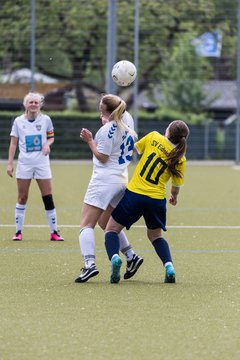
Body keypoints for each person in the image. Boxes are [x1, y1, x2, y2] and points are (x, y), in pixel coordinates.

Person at [104, 120, 190, 284]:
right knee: (156, 236)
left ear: (167, 131)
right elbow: (176, 187)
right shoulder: (180, 157)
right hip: (156, 200)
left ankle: (115, 258)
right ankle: (169, 266)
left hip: (134, 195)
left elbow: (133, 150)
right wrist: (174, 197)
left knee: (111, 230)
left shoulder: (153, 137)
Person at [75, 94, 143, 283]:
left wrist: (90, 140)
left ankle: (89, 265)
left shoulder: (105, 130)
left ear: (106, 110)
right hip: (121, 179)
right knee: (106, 224)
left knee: (86, 224)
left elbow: (103, 157)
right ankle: (131, 257)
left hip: (103, 181)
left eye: (101, 105)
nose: (98, 106)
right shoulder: (127, 120)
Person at [7, 92, 64, 241]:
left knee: (48, 197)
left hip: (42, 164)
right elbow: (13, 143)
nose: (33, 104)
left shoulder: (46, 120)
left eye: (36, 102)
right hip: (24, 164)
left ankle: (54, 232)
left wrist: (47, 144)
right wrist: (9, 163)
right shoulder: (18, 121)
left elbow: (51, 137)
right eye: (30, 102)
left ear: (40, 105)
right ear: (25, 104)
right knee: (22, 197)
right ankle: (18, 232)